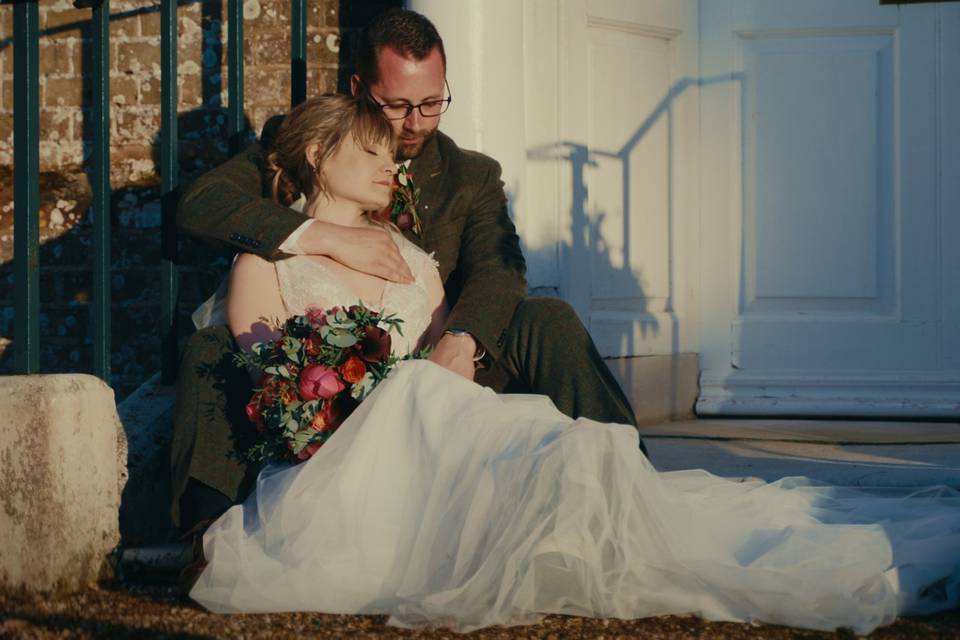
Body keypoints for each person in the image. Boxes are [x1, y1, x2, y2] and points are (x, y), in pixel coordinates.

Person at [188, 93, 960, 635]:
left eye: (398, 148)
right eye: (374, 149)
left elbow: (451, 341)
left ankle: (622, 498)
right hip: (357, 449)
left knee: (568, 453)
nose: (395, 162)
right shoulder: (264, 258)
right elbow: (277, 379)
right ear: (321, 153)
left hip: (442, 423)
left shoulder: (411, 254)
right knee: (518, 456)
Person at [170, 8, 643, 535]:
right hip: (325, 374)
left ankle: (631, 485)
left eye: (432, 102)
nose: (415, 122)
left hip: (443, 363)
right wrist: (327, 237)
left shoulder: (472, 175)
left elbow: (498, 269)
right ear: (359, 87)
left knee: (547, 317)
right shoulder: (313, 140)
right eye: (396, 105)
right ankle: (205, 531)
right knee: (210, 347)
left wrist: (463, 341)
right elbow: (198, 205)